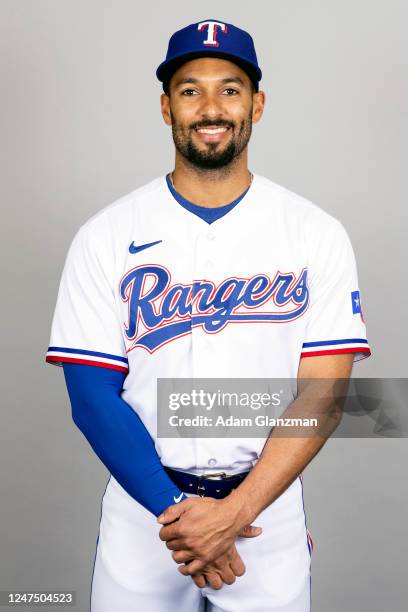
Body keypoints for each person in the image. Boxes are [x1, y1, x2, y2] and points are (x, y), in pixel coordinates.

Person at [46, 18, 371, 612]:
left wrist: (235, 515)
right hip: (145, 511)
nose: (211, 107)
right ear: (167, 108)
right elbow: (91, 396)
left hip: (264, 512)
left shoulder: (314, 233)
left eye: (230, 88)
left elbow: (322, 396)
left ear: (258, 104)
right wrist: (184, 519)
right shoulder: (107, 236)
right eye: (191, 90)